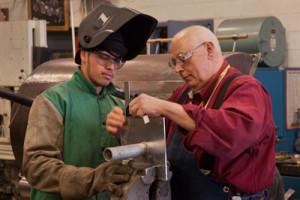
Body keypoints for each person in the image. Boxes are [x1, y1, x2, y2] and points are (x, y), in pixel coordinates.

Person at [106, 25, 276, 200]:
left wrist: (164, 106)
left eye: (183, 58)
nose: (178, 69)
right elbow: (154, 140)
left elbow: (231, 134)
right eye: (174, 62)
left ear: (209, 50)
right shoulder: (181, 95)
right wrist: (126, 128)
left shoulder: (246, 89)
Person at [22, 3, 157, 200]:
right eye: (104, 57)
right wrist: (93, 179)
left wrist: (124, 137)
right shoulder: (52, 101)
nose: (111, 66)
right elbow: (36, 167)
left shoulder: (118, 105)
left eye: (118, 60)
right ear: (84, 54)